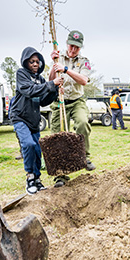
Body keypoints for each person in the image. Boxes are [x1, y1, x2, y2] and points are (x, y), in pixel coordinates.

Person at [10, 47, 62, 195]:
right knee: (28, 144)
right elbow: (29, 90)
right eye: (31, 61)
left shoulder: (40, 79)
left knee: (38, 149)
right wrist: (51, 84)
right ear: (25, 62)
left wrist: (55, 91)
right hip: (20, 117)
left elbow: (43, 101)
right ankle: (30, 178)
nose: (35, 64)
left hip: (34, 120)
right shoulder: (22, 74)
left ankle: (38, 180)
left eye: (37, 62)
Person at [49, 30, 96, 171]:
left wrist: (65, 69)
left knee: (82, 122)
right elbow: (51, 80)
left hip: (77, 101)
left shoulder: (84, 62)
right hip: (60, 101)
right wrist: (54, 64)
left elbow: (83, 80)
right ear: (67, 44)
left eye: (77, 47)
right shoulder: (58, 57)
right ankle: (60, 173)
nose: (73, 50)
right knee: (57, 135)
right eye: (71, 46)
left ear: (80, 47)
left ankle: (85, 157)